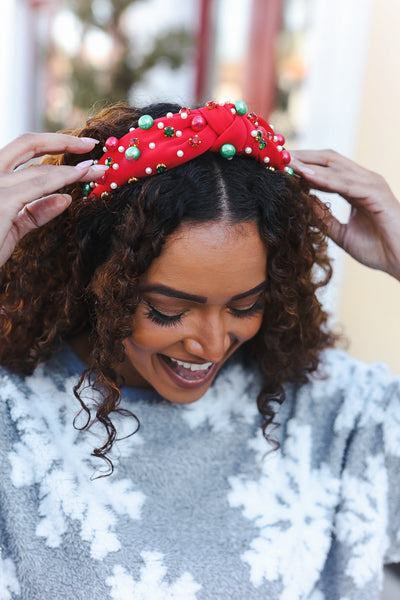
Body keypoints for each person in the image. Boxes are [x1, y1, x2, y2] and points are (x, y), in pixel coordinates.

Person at [0, 101, 399, 600]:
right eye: (169, 310)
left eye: (245, 306)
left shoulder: (331, 412)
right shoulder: (12, 416)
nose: (211, 344)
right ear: (97, 281)